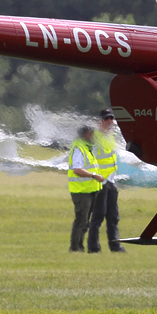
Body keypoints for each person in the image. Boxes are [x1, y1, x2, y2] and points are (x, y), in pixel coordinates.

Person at [87, 108, 125, 253]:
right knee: (98, 215)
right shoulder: (95, 137)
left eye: (111, 119)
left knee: (113, 216)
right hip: (100, 182)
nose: (110, 122)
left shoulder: (111, 137)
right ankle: (93, 247)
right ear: (100, 122)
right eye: (106, 119)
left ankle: (115, 246)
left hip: (111, 181)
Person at [67, 124, 102, 253]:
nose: (94, 136)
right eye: (92, 133)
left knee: (85, 221)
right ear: (86, 134)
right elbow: (77, 170)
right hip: (81, 191)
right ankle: (75, 248)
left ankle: (79, 246)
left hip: (89, 190)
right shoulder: (79, 148)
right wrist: (94, 175)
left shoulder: (87, 148)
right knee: (81, 220)